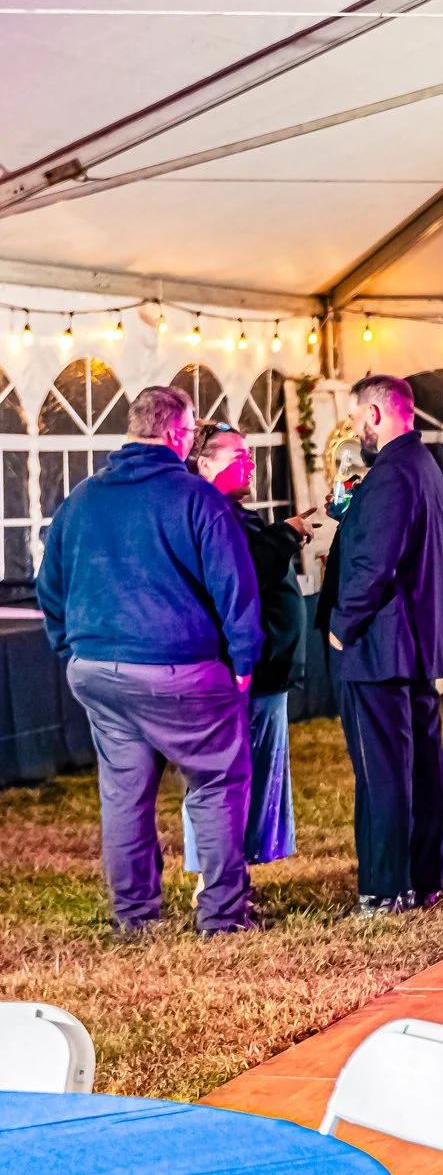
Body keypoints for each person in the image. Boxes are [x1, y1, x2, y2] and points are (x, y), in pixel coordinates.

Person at [34, 385, 260, 935]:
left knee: (124, 796)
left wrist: (70, 647)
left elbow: (49, 586)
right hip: (181, 670)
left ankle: (134, 918)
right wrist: (244, 662)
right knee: (215, 784)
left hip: (98, 670)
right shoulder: (197, 498)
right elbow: (237, 589)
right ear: (177, 434)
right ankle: (222, 916)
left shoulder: (82, 497)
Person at [320, 373, 443, 913]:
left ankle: (385, 887)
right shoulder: (420, 466)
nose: (358, 431)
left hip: (377, 646)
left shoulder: (392, 474)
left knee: (383, 773)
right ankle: (425, 878)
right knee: (421, 764)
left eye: (357, 420)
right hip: (414, 642)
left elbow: (374, 563)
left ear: (375, 415)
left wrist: (340, 626)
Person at [182, 424, 312, 874]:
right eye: (238, 455)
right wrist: (285, 535)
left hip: (265, 671)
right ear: (203, 464)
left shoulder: (236, 513)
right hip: (241, 670)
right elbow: (241, 572)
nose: (250, 462)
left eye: (250, 454)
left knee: (257, 776)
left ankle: (237, 873)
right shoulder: (211, 515)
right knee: (228, 778)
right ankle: (218, 878)